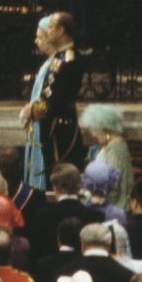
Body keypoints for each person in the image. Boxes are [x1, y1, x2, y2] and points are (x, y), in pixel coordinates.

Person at [22, 13, 81, 198]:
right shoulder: (60, 57)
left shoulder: (69, 61)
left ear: (61, 31)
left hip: (58, 129)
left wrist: (33, 110)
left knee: (53, 181)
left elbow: (57, 102)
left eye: (51, 28)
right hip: (49, 126)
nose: (48, 32)